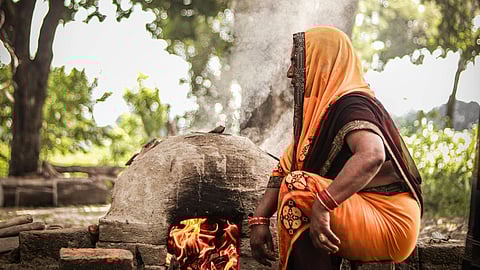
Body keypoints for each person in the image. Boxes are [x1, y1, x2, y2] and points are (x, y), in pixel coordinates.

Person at [248, 26, 423, 270]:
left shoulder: (352, 104)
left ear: (322, 61)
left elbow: (372, 155)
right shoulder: (320, 113)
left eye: (296, 62)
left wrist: (323, 204)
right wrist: (259, 219)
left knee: (298, 187)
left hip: (388, 217)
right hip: (359, 209)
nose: (290, 73)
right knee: (295, 184)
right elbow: (284, 168)